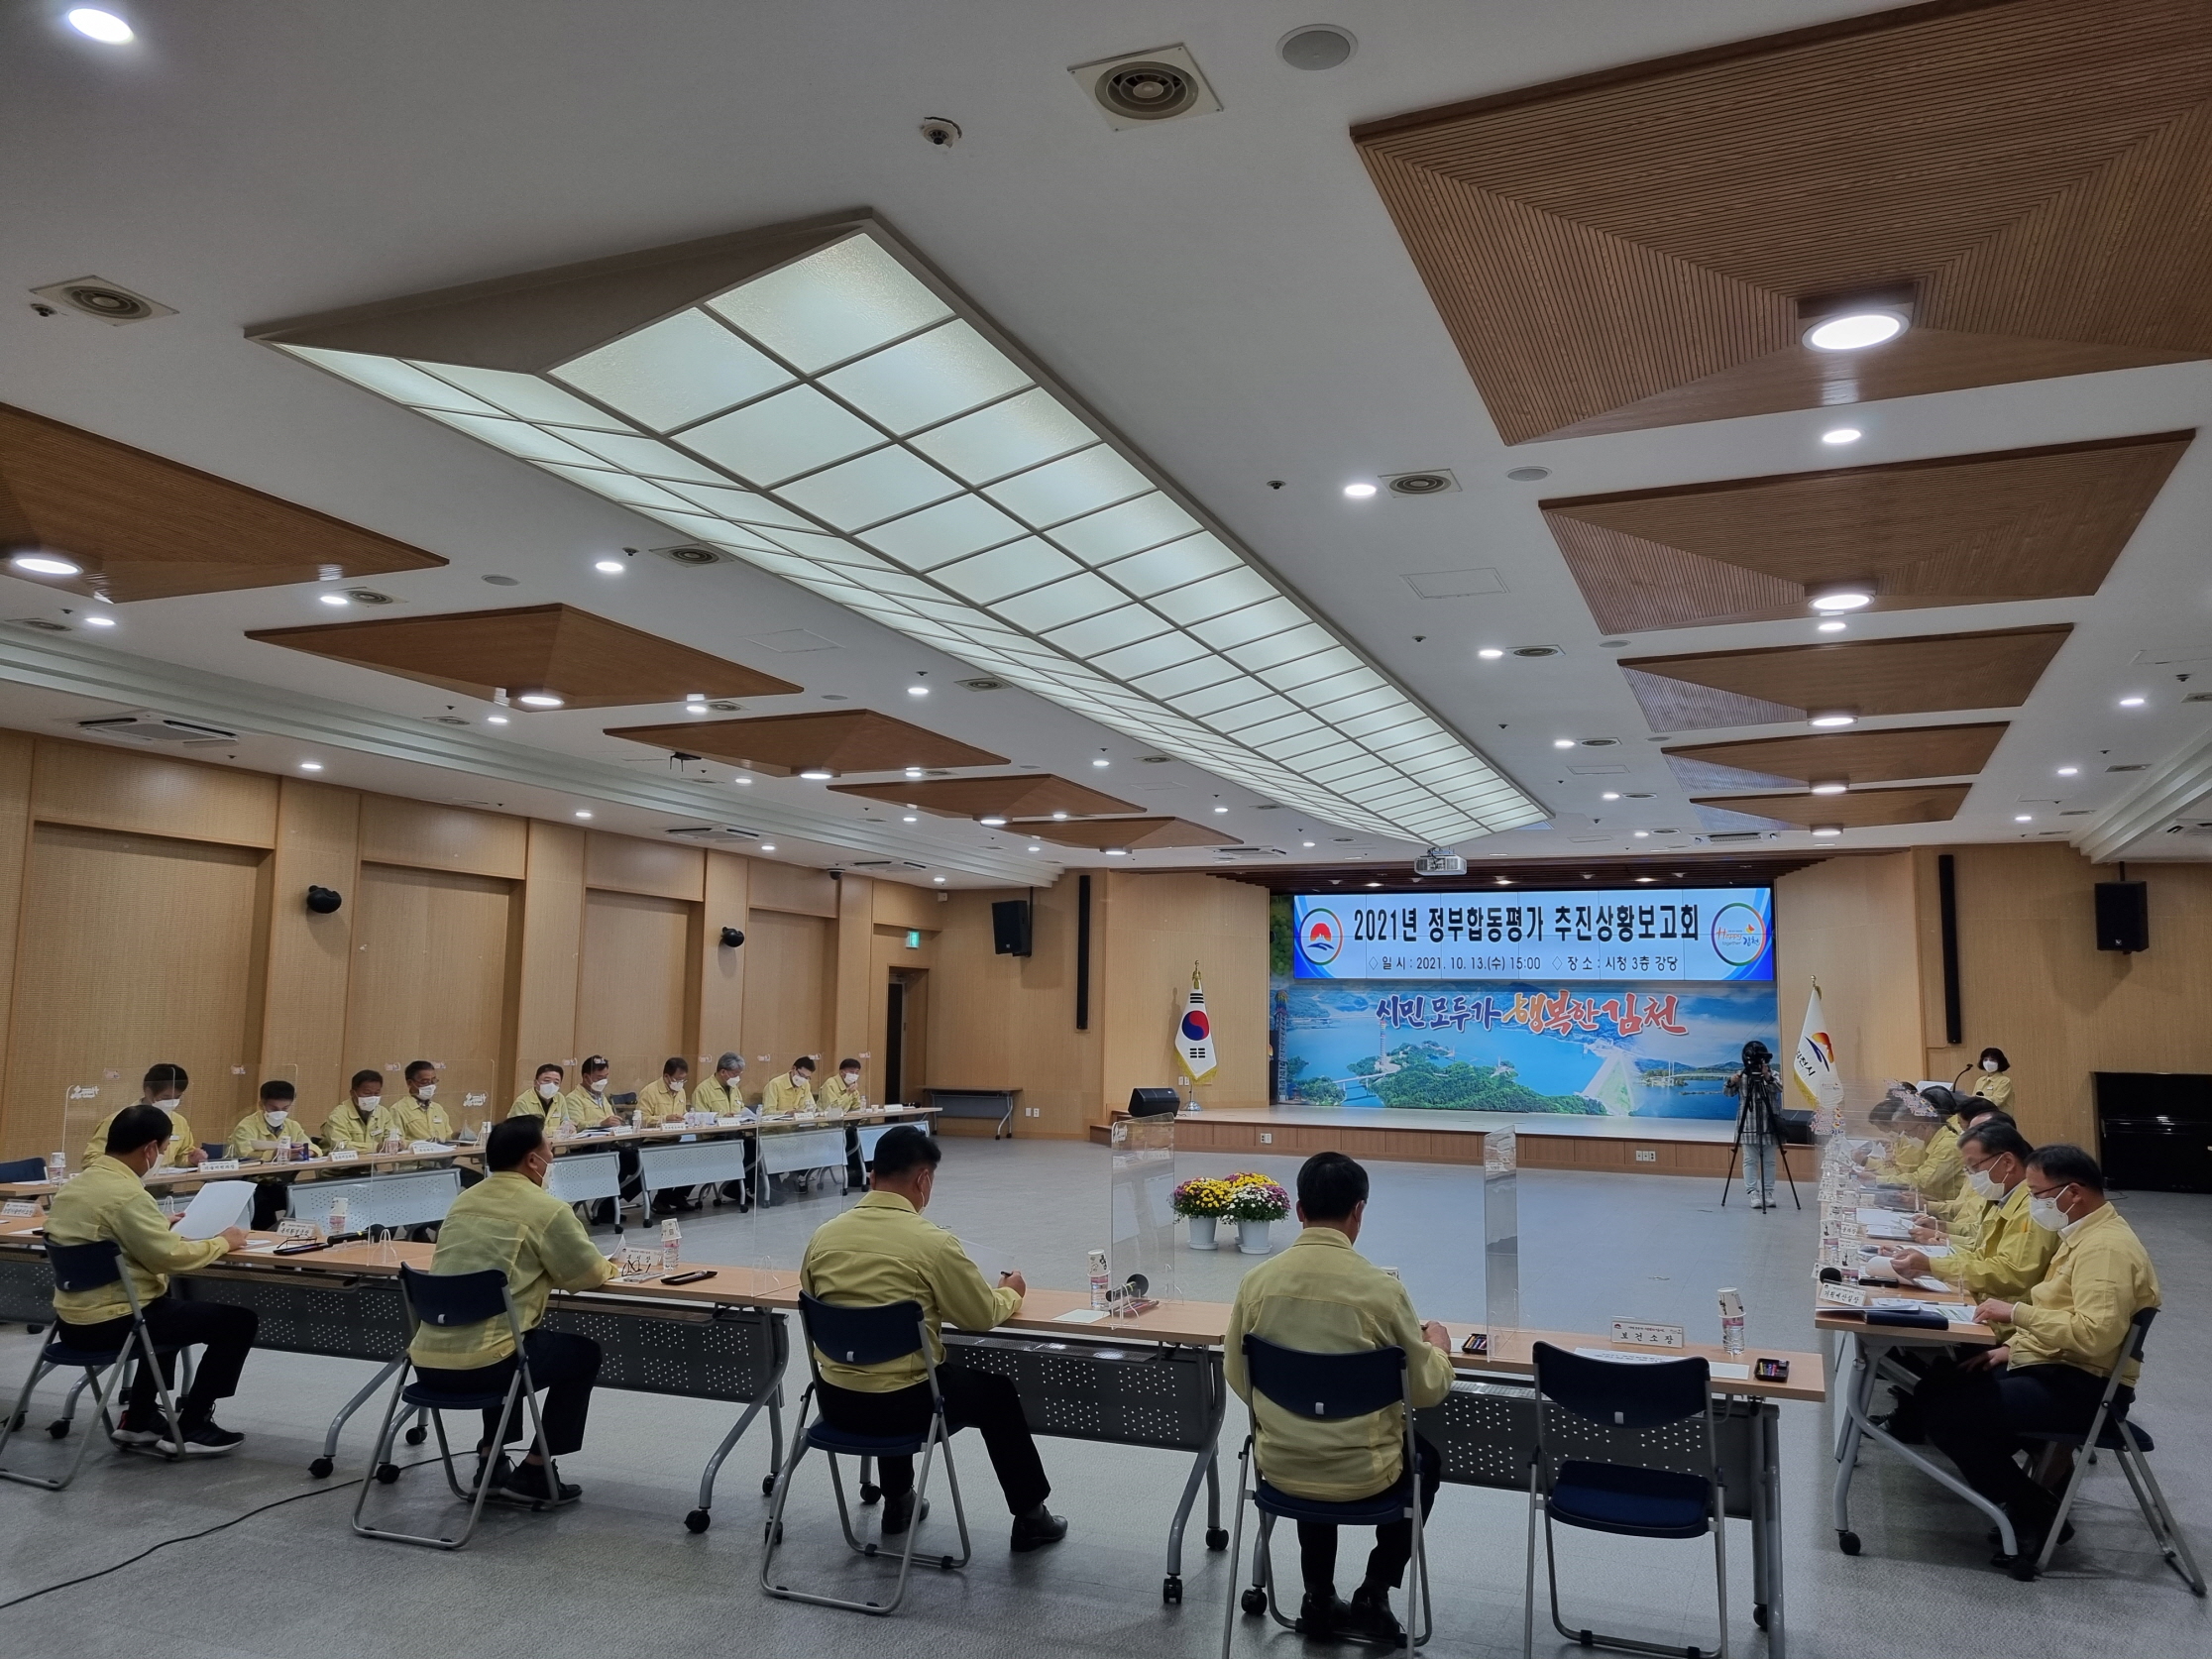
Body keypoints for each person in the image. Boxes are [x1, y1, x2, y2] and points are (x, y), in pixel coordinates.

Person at [799, 1125, 1065, 1552]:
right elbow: (979, 1316)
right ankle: (1032, 1517)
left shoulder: (823, 1237)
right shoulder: (933, 1243)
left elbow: (814, 1299)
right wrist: (1011, 1293)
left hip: (837, 1402)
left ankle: (898, 1501)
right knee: (994, 1393)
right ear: (923, 1179)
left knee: (881, 1364)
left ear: (872, 1175)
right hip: (906, 1409)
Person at [1226, 1151, 1453, 1643]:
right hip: (1366, 1473)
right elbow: (1426, 1389)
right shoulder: (1382, 1292)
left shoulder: (1255, 1284)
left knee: (1309, 1435)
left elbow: (1238, 1377)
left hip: (1280, 1467)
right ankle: (1375, 1589)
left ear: (1299, 1210)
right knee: (1426, 1462)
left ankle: (1317, 1596)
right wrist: (1439, 1348)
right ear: (1359, 1210)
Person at [1920, 1145, 2160, 1570]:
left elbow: (2095, 1335)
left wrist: (2016, 1314)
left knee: (1950, 1415)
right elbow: (2064, 1313)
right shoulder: (2083, 1235)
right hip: (2059, 1366)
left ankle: (2037, 1513)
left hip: (2087, 1386)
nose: (2033, 1204)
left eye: (2037, 1194)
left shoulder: (2105, 1249)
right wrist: (2013, 1347)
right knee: (1943, 1385)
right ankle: (2035, 1498)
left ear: (2074, 1192)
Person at [408, 1115, 619, 1504]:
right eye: (550, 1150)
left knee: (508, 1334)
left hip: (428, 1362)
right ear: (532, 1160)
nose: (553, 1157)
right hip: (487, 1367)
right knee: (578, 1353)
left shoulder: (464, 1201)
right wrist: (613, 1266)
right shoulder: (547, 1209)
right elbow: (588, 1274)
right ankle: (536, 1469)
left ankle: (490, 1460)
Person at [47, 1103, 256, 1455]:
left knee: (166, 1310)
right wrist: (224, 1242)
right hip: (116, 1323)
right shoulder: (128, 1194)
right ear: (149, 1149)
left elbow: (106, 1232)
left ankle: (140, 1418)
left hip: (72, 1323)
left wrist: (157, 1225)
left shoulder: (76, 1186)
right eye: (163, 1148)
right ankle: (193, 1425)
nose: (161, 1155)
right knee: (238, 1322)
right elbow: (167, 1257)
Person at [1890, 1122, 2057, 1301]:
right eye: (1968, 1170)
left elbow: (2011, 1274)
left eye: (1975, 1167)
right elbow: (1981, 1253)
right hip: (1986, 1300)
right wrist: (1926, 1263)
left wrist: (1931, 1266)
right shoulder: (2002, 1198)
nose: (1972, 1176)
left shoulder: (2033, 1207)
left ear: (2008, 1162)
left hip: (2007, 1311)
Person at [82, 1062, 205, 1171]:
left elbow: (181, 1157)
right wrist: (128, 1167)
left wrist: (191, 1160)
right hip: (124, 1183)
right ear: (148, 1092)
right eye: (166, 1097)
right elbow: (90, 1159)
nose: (172, 1102)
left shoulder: (180, 1121)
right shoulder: (118, 1120)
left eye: (177, 1097)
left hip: (163, 1187)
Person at [228, 1078, 309, 1229]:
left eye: (285, 1109)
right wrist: (274, 1155)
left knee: (305, 1200)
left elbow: (313, 1148)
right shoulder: (246, 1126)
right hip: (254, 1184)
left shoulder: (293, 1125)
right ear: (262, 1105)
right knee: (263, 1206)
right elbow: (245, 1155)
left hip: (281, 1183)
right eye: (273, 1108)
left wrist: (302, 1152)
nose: (279, 1113)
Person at [323, 1069, 401, 1154]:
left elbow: (393, 1134)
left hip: (374, 1161)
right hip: (346, 1161)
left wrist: (396, 1143)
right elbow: (341, 1145)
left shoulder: (383, 1112)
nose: (372, 1097)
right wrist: (377, 1147)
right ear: (353, 1093)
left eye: (376, 1093)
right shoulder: (337, 1116)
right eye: (367, 1093)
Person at [391, 1060, 453, 1144]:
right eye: (425, 1082)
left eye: (433, 1081)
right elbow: (397, 1142)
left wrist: (456, 1136)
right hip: (417, 1152)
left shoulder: (438, 1108)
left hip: (443, 1151)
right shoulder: (398, 1109)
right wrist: (422, 1144)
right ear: (410, 1083)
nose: (430, 1086)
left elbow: (447, 1136)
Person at [635, 1056, 690, 1126]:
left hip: (677, 1131)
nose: (680, 1083)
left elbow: (683, 1113)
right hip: (656, 1132)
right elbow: (641, 1120)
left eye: (683, 1080)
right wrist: (665, 1119)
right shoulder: (649, 1092)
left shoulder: (681, 1092)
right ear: (666, 1076)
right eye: (678, 1080)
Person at [693, 1051, 747, 1117]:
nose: (737, 1077)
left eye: (739, 1074)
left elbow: (741, 1108)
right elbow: (700, 1117)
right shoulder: (703, 1090)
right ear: (723, 1072)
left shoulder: (734, 1088)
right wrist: (721, 1117)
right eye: (735, 1074)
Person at [1968, 1047, 2014, 1113]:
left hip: (1999, 1116)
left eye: (1992, 1060)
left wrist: (1977, 1099)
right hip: (1981, 1115)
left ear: (2000, 1062)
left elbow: (1997, 1101)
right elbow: (1973, 1100)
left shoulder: (2004, 1081)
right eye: (1985, 1060)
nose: (1988, 1063)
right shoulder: (1980, 1080)